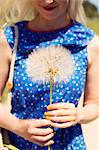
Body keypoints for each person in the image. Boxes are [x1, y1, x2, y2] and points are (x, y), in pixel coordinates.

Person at [0, 0, 99, 149]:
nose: (47, 0)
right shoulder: (11, 38)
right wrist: (18, 126)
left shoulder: (89, 42)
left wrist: (79, 114)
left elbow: (94, 104)